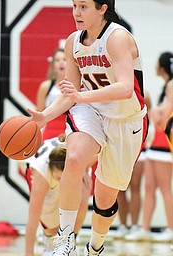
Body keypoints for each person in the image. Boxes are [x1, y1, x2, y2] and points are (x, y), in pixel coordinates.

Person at [27, 0, 147, 255]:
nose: (76, 13)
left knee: (105, 198)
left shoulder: (117, 38)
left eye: (83, 6)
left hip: (126, 119)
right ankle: (66, 238)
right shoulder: (73, 42)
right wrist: (45, 117)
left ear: (102, 8)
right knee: (74, 158)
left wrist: (82, 96)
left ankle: (95, 247)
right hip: (90, 110)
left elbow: (126, 89)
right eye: (74, 6)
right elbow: (71, 92)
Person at [125, 52, 173, 242]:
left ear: (162, 67)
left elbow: (161, 121)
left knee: (164, 188)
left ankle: (171, 228)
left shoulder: (171, 85)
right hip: (155, 144)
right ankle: (144, 229)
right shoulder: (166, 85)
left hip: (164, 143)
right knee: (150, 187)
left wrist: (149, 108)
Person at [25, 134, 93, 256]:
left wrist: (84, 168)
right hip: (42, 171)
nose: (63, 184)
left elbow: (99, 151)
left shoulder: (77, 160)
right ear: (52, 171)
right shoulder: (42, 174)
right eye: (59, 178)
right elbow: (32, 220)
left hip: (75, 166)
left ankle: (69, 243)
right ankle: (48, 239)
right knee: (51, 225)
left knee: (82, 201)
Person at [113, 92, 152, 239]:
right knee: (120, 188)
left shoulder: (144, 95)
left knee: (135, 186)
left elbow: (149, 121)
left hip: (138, 145)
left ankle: (135, 225)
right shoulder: (114, 92)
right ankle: (122, 225)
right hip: (118, 145)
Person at [36, 49, 67, 140]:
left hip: (69, 132)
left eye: (64, 59)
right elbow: (39, 113)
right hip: (50, 133)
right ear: (53, 64)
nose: (61, 62)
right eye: (57, 60)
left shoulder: (76, 85)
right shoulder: (46, 86)